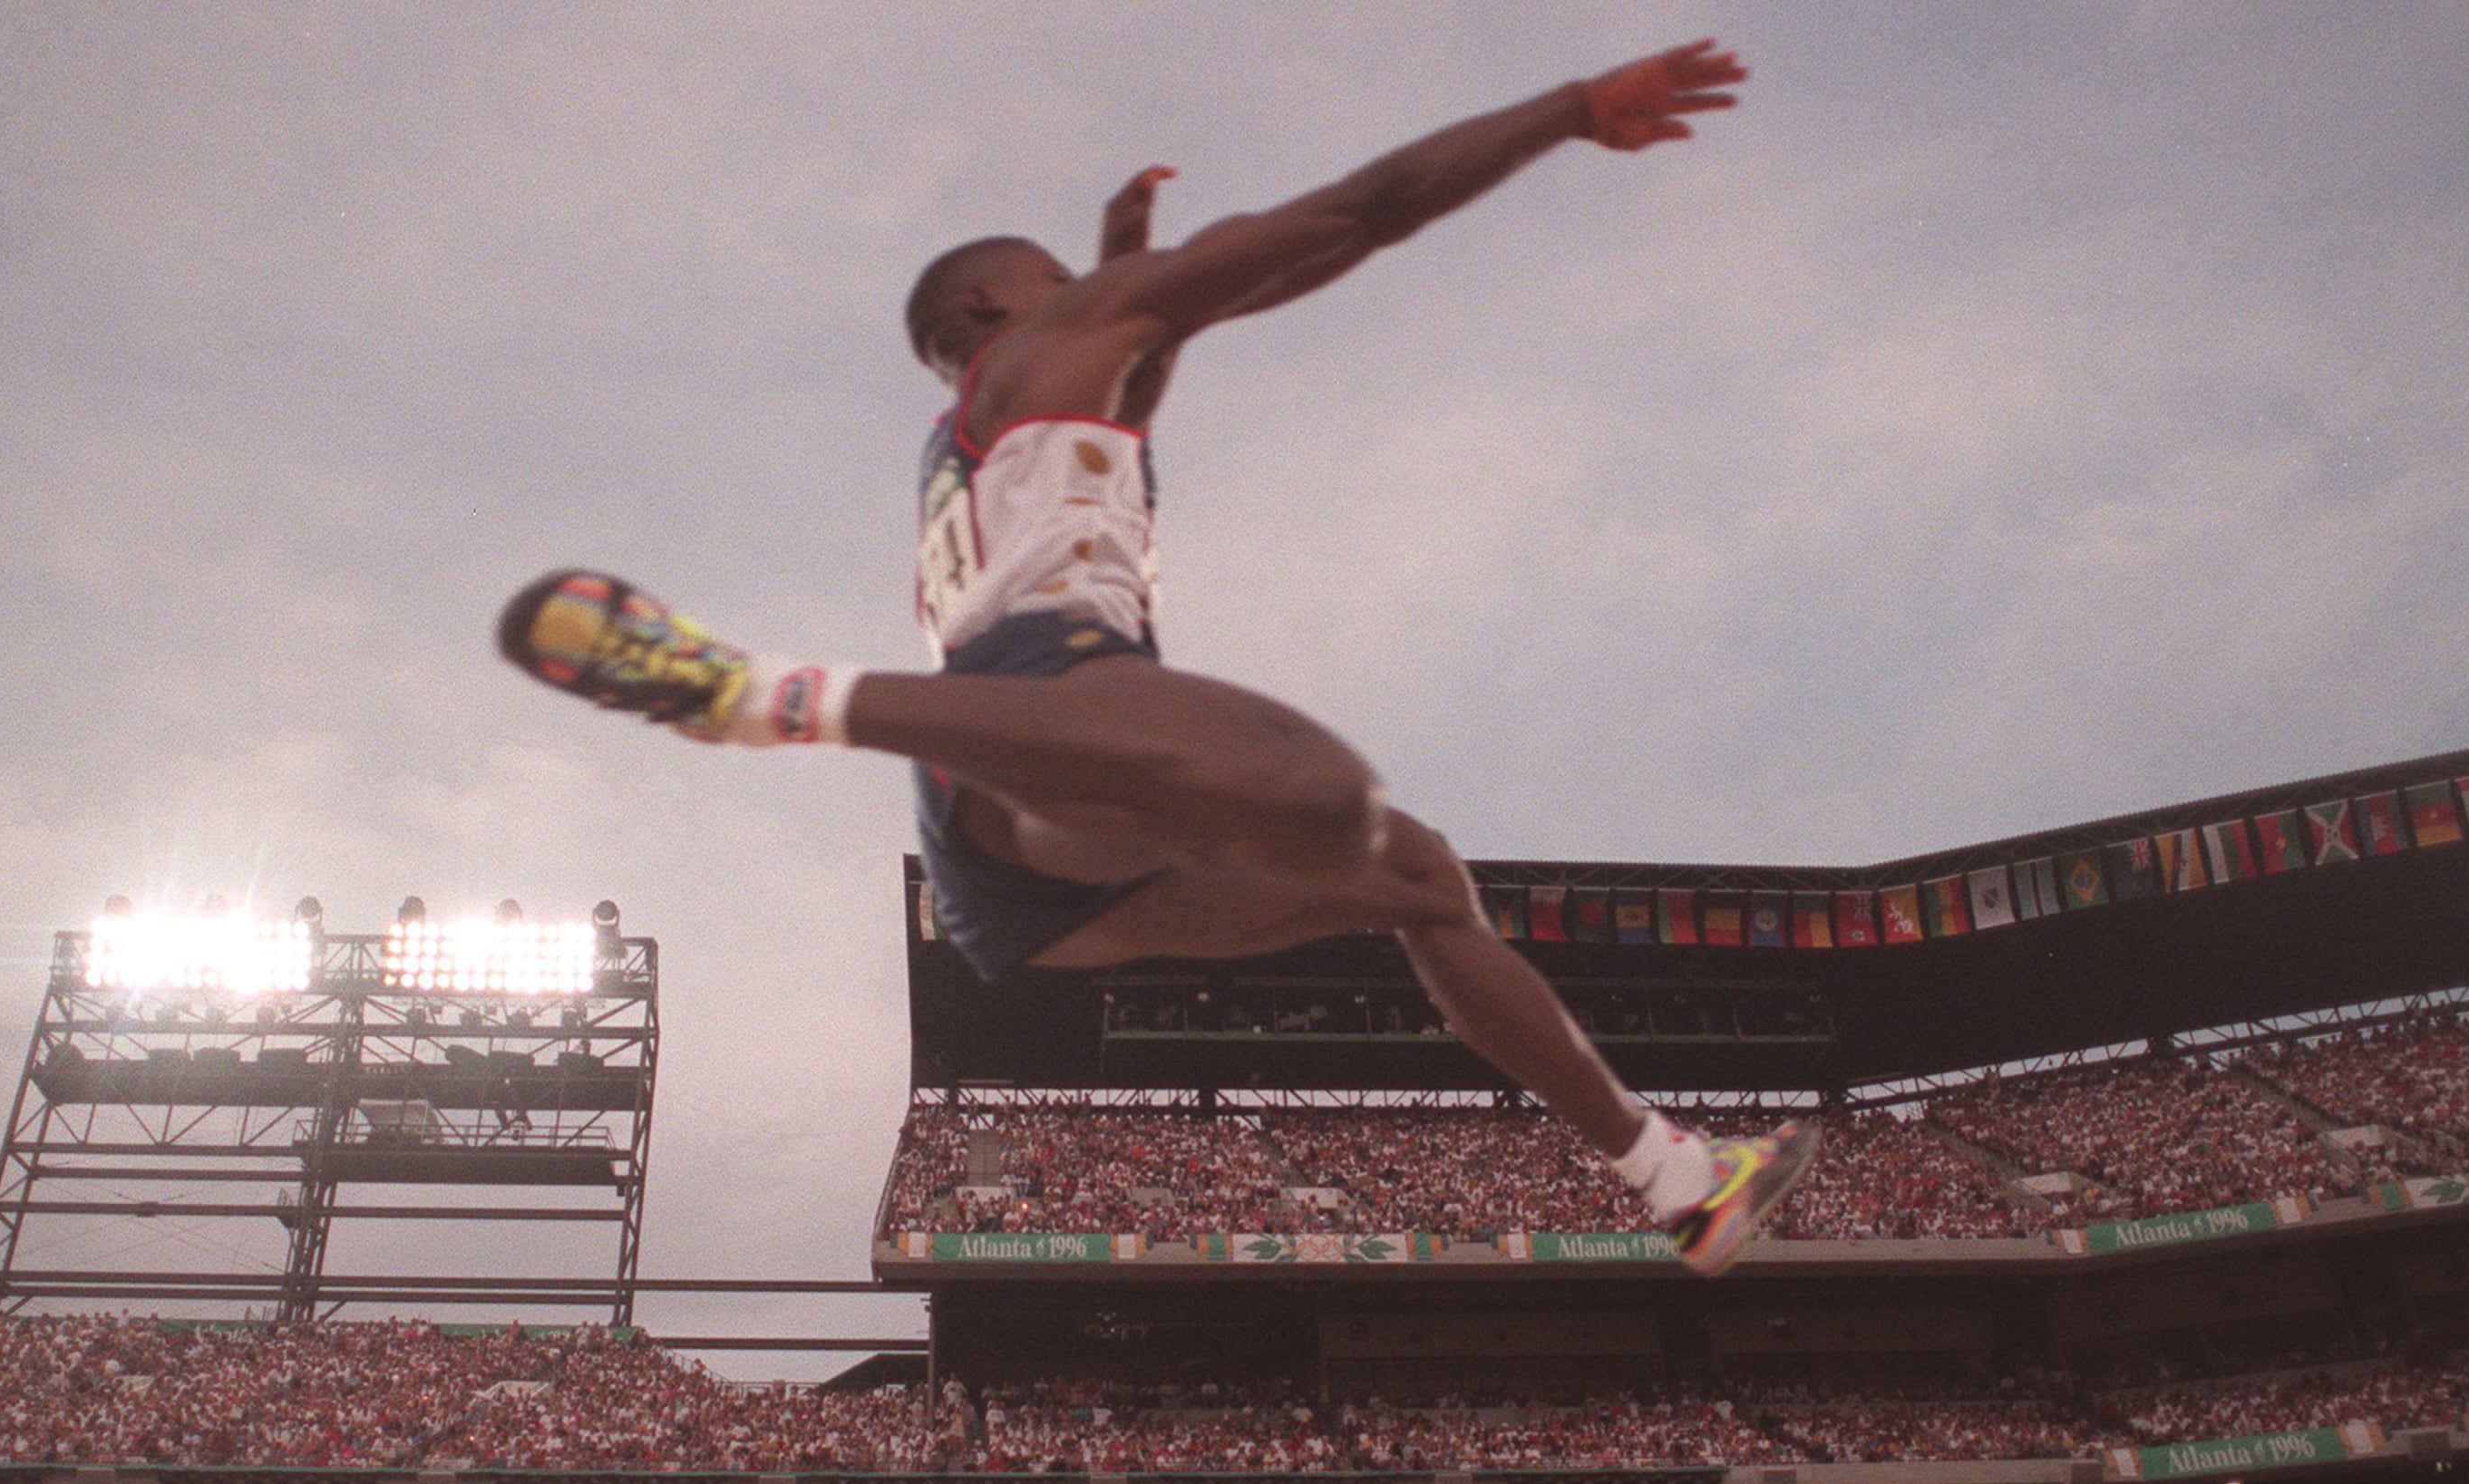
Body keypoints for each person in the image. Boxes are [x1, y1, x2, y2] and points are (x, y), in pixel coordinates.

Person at [497, 35, 1813, 1274]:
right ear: (986, 302)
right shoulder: (1059, 341)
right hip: (1040, 704)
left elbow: (1133, 360)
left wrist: (1125, 276)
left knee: (1418, 875)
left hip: (1024, 852)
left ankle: (1674, 1178)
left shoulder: (997, 410)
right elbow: (1363, 210)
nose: (1098, 289)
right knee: (1317, 794)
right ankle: (769, 697)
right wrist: (1571, 108)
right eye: (1063, 278)